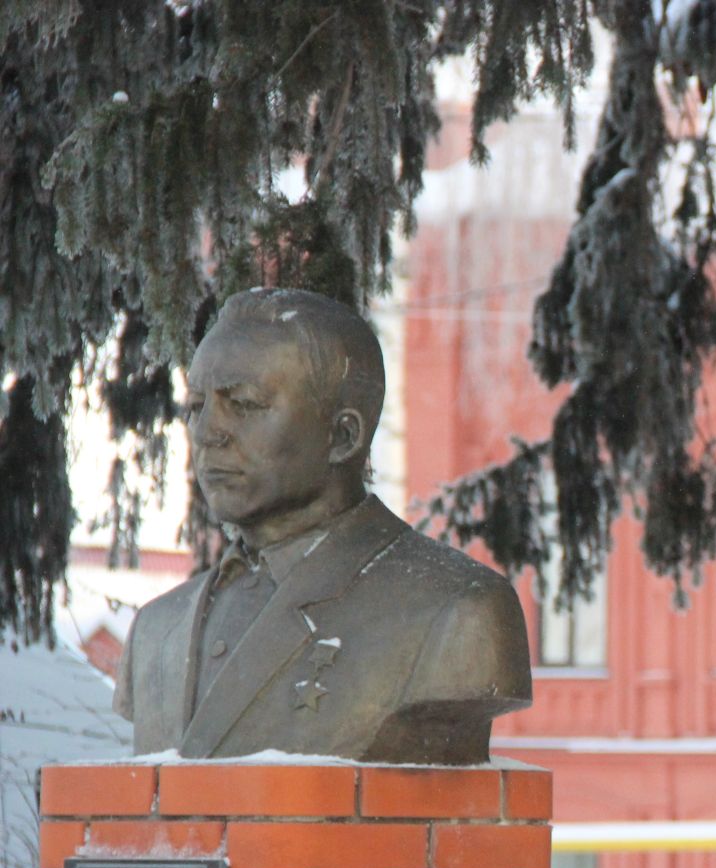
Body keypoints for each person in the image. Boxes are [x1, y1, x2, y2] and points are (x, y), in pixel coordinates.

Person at [114, 288, 531, 765]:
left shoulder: (458, 611)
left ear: (342, 436)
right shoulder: (156, 629)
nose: (209, 432)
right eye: (196, 406)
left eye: (244, 404)